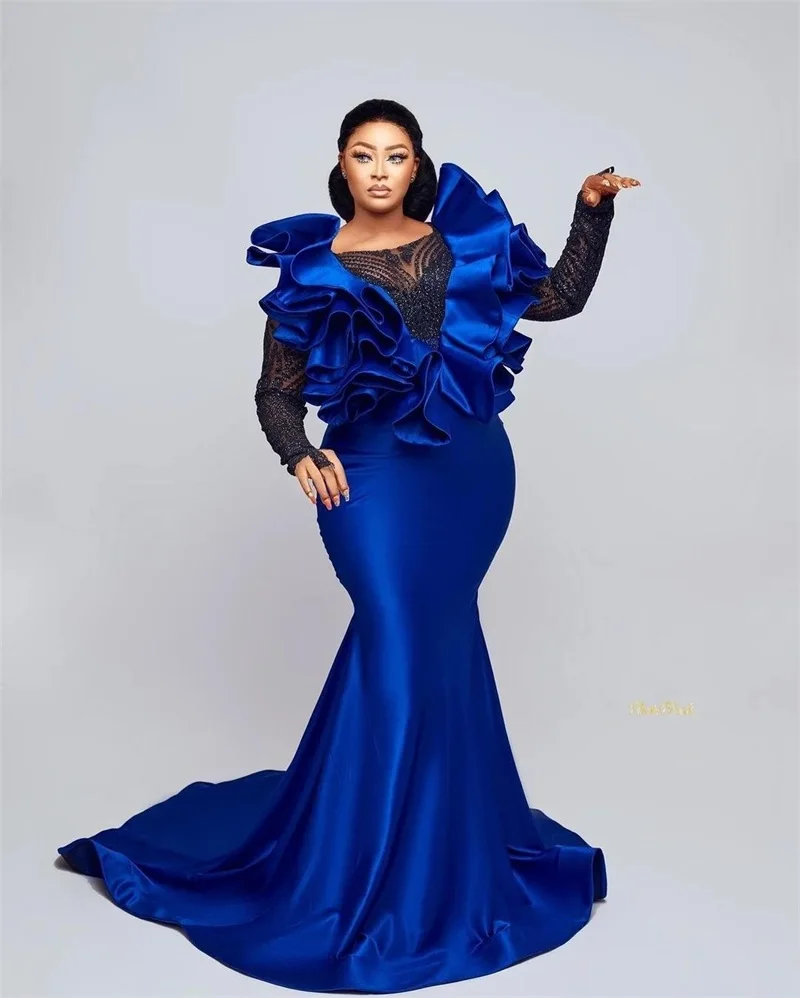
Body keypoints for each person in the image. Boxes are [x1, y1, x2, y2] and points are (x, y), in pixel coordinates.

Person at [58, 98, 640, 993]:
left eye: (395, 155)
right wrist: (298, 452)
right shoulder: (313, 266)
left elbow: (558, 298)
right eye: (364, 155)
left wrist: (590, 211)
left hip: (471, 471)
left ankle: (442, 854)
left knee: (439, 645)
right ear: (341, 164)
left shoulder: (459, 245)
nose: (379, 170)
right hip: (368, 477)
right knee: (400, 638)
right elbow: (276, 391)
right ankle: (365, 875)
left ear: (417, 166)